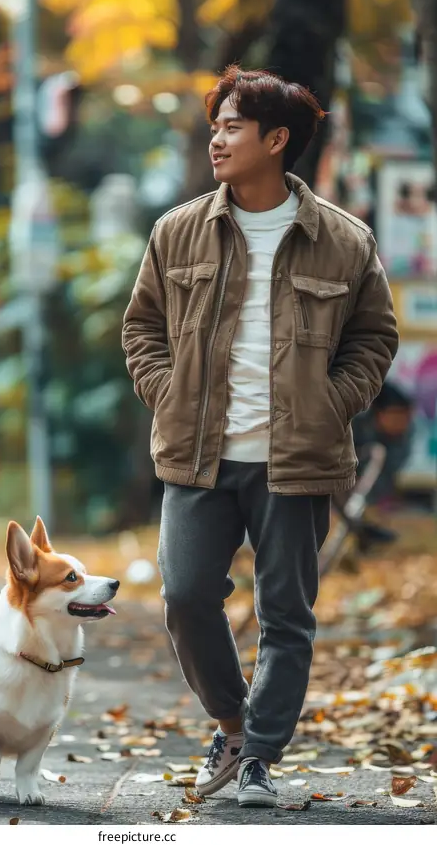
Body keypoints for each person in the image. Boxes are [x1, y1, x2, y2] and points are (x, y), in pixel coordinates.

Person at [121, 66, 399, 808]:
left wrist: (331, 404)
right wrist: (168, 393)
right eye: (216, 124)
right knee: (185, 595)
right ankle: (232, 723)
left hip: (296, 460)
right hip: (198, 455)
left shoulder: (344, 240)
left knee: (286, 614)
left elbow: (374, 338)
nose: (217, 137)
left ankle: (259, 759)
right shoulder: (177, 231)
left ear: (277, 141)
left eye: (233, 125)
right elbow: (141, 328)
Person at [333, 382, 413, 550]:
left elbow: (388, 472)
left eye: (406, 416)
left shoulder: (403, 436)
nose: (402, 422)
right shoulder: (351, 424)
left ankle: (362, 533)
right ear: (379, 413)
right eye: (396, 415)